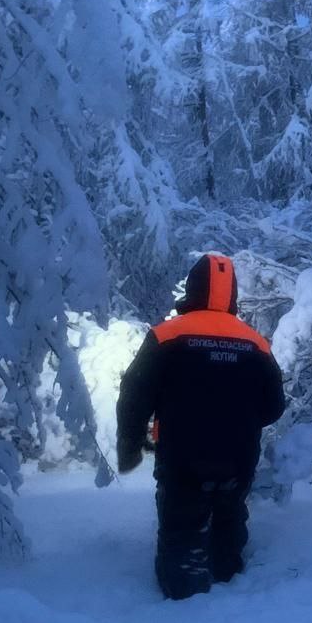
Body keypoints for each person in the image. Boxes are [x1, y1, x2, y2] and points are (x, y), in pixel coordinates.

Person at [116, 253, 286, 600]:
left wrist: (130, 442)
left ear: (192, 288)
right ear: (232, 294)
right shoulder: (255, 342)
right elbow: (274, 406)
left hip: (182, 455)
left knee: (181, 521)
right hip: (238, 457)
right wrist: (242, 423)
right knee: (230, 516)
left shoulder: (167, 336)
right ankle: (227, 577)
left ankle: (183, 594)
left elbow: (134, 395)